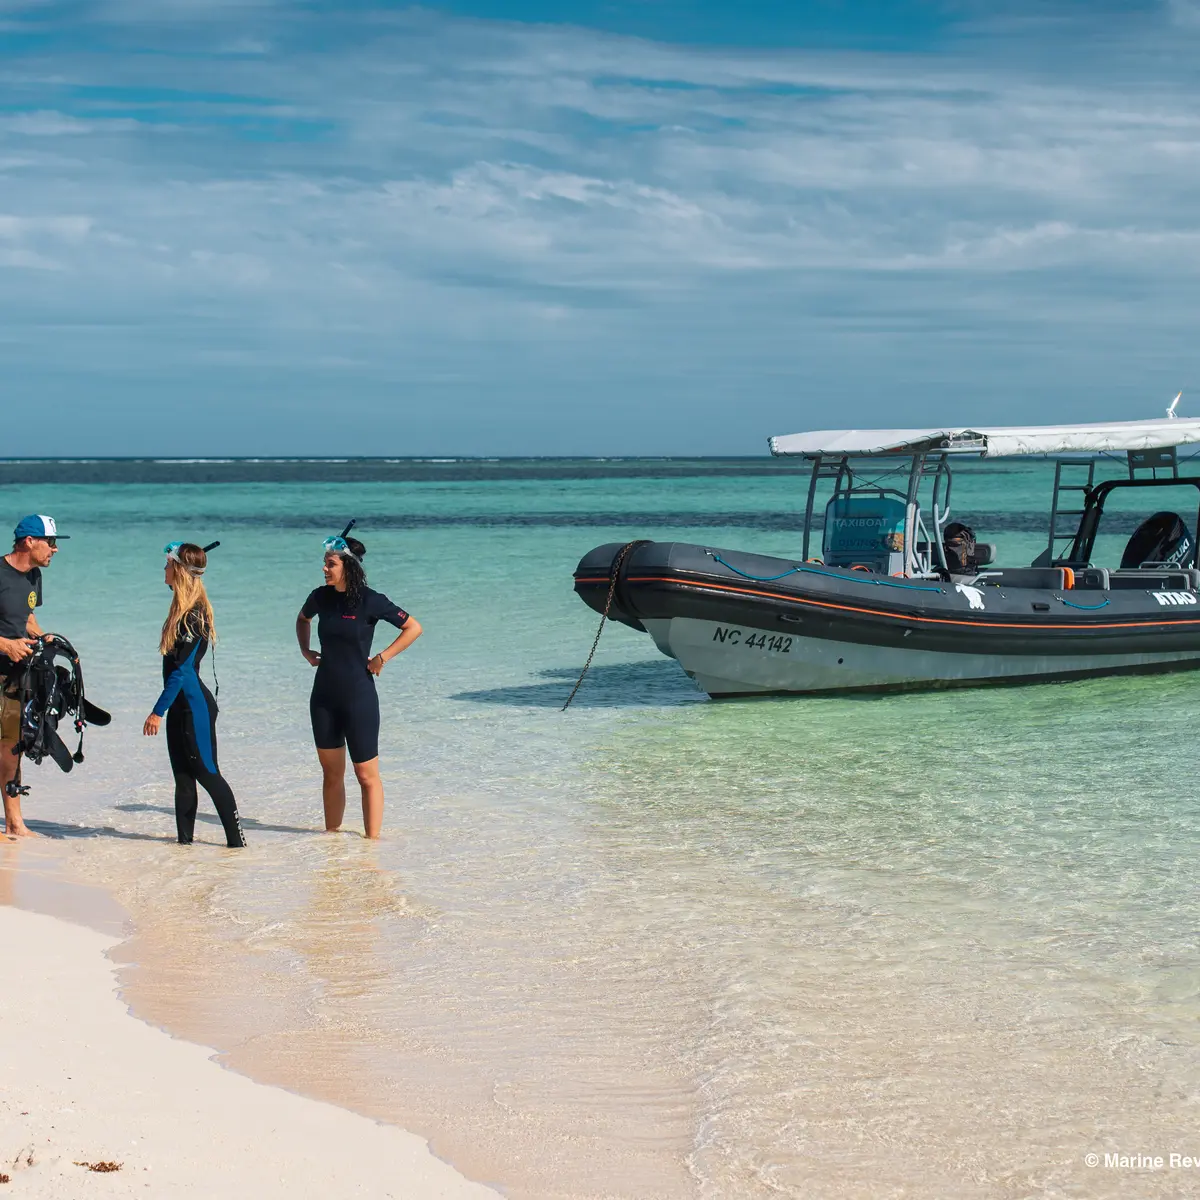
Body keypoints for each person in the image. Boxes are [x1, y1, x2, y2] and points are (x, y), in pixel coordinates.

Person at [295, 530, 421, 839]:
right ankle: (332, 843)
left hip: (358, 697)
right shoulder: (320, 597)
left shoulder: (370, 600)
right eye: (324, 563)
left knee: (366, 775)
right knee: (331, 774)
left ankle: (372, 847)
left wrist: (382, 657)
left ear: (348, 565)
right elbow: (302, 619)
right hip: (323, 697)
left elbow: (413, 627)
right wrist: (305, 650)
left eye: (331, 563)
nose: (325, 569)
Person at [142, 542, 246, 848]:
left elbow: (183, 671)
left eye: (167, 564)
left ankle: (237, 845)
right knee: (183, 779)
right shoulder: (181, 611)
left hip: (194, 708)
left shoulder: (194, 616)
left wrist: (157, 711)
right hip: (180, 706)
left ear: (178, 570)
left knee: (208, 774)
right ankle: (183, 847)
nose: (163, 569)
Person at [0, 515, 68, 838]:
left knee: (12, 746)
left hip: (15, 678)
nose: (54, 549)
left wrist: (44, 638)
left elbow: (26, 616)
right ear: (30, 542)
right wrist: (5, 644)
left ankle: (14, 823)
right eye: (50, 543)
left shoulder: (33, 576)